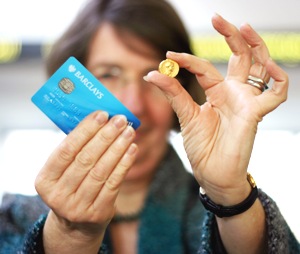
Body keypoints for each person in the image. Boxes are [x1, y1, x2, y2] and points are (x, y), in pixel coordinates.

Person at [0, 0, 299, 253]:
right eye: (109, 73)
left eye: (155, 76)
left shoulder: (233, 214)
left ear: (181, 87)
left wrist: (231, 195)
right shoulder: (13, 218)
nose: (135, 103)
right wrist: (68, 235)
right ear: (73, 86)